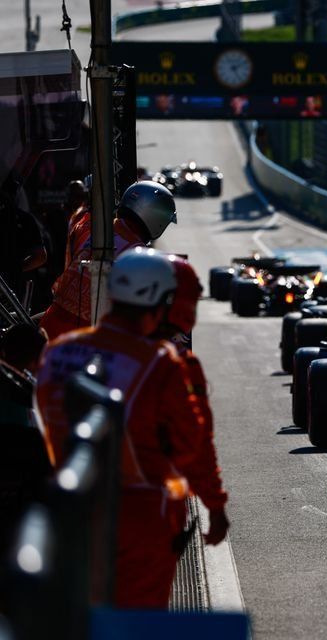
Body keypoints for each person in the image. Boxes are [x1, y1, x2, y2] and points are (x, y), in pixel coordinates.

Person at [35, 248, 220, 608]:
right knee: (138, 621)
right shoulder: (161, 362)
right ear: (154, 299)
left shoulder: (56, 353)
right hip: (140, 515)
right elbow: (190, 445)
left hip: (65, 507)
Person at [150, 254, 229, 547]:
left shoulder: (69, 347)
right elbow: (196, 441)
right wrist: (215, 505)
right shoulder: (177, 366)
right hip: (149, 507)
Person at [39, 180, 177, 340]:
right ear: (156, 217)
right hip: (88, 341)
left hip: (50, 326)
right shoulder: (139, 256)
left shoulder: (87, 226)